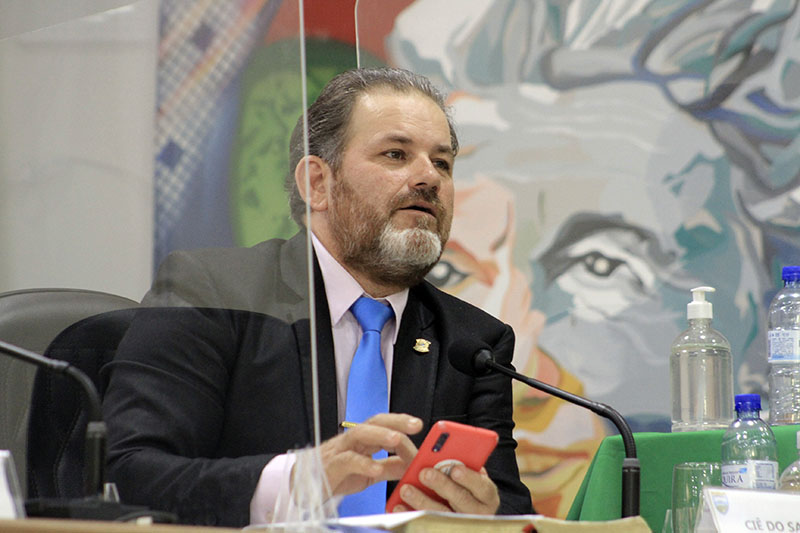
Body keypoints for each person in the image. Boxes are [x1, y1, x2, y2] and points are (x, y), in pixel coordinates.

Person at [102, 67, 533, 527]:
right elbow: (129, 473)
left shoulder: (473, 343)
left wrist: (485, 515)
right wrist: (299, 481)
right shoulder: (214, 294)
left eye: (442, 163)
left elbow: (511, 508)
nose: (429, 177)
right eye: (396, 154)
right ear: (317, 184)